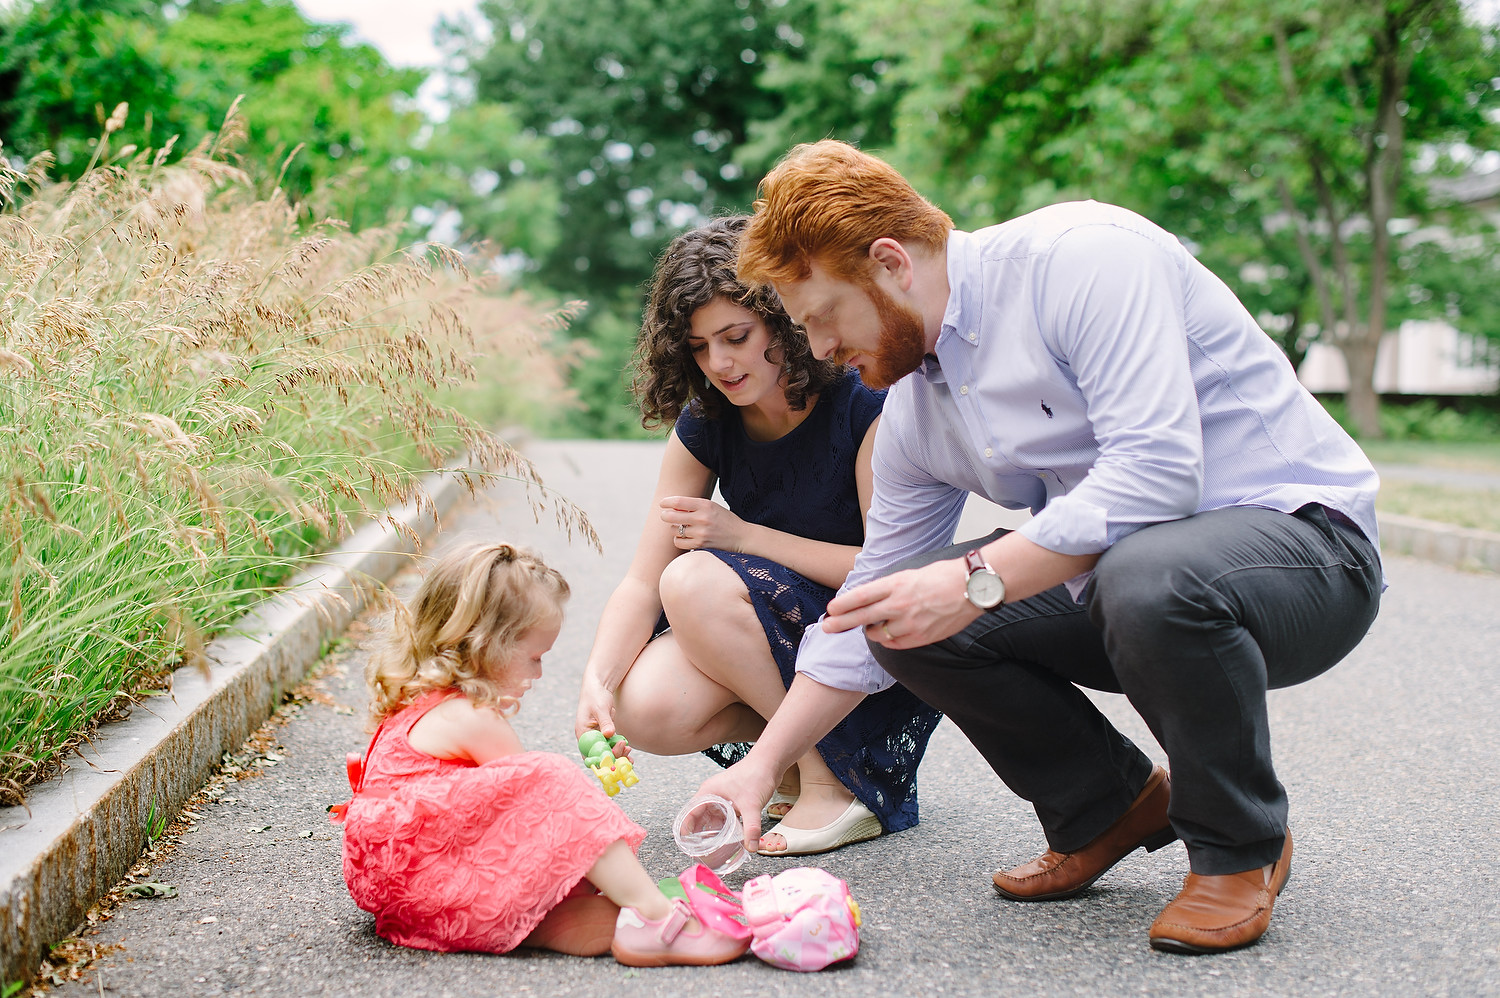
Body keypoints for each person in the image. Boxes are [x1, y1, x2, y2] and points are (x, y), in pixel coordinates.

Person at [697, 140, 1383, 954]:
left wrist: (976, 576)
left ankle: (1239, 846)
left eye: (823, 318)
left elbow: (1158, 475)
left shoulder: (1085, 258)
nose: (817, 350)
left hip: (1306, 549)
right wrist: (762, 762)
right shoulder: (915, 408)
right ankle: (1109, 805)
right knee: (897, 611)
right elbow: (865, 599)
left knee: (1135, 573)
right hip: (1130, 586)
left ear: (890, 264)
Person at [576, 216, 941, 856]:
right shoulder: (708, 421)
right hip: (774, 635)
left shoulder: (863, 404)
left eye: (736, 336)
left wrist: (742, 536)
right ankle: (797, 766)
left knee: (690, 580)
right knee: (644, 707)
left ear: (784, 320)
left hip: (864, 636)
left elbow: (884, 570)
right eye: (697, 347)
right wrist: (596, 684)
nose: (719, 363)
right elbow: (639, 580)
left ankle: (832, 781)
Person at [334, 541, 750, 966]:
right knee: (551, 776)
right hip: (430, 873)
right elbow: (543, 818)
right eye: (534, 657)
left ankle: (597, 924)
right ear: (486, 644)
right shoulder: (473, 717)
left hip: (402, 889)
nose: (539, 673)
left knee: (581, 915)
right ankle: (657, 916)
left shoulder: (418, 703)